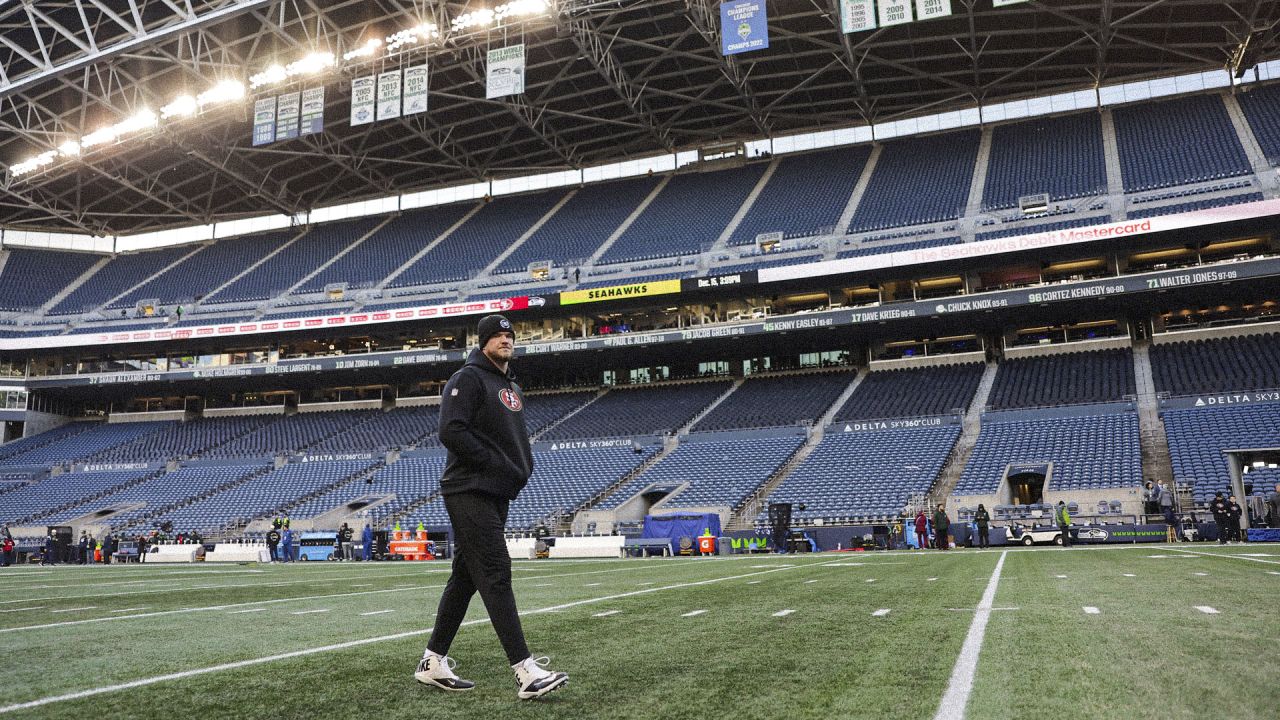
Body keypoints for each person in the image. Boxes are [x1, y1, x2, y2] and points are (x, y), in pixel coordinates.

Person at [416, 314, 568, 701]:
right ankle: (525, 671)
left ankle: (432, 662)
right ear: (482, 342)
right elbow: (451, 430)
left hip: (496, 491)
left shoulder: (509, 384)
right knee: (496, 572)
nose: (506, 339)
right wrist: (496, 463)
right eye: (497, 335)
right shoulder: (467, 379)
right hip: (468, 488)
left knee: (466, 578)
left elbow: (511, 438)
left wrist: (517, 468)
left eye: (509, 335)